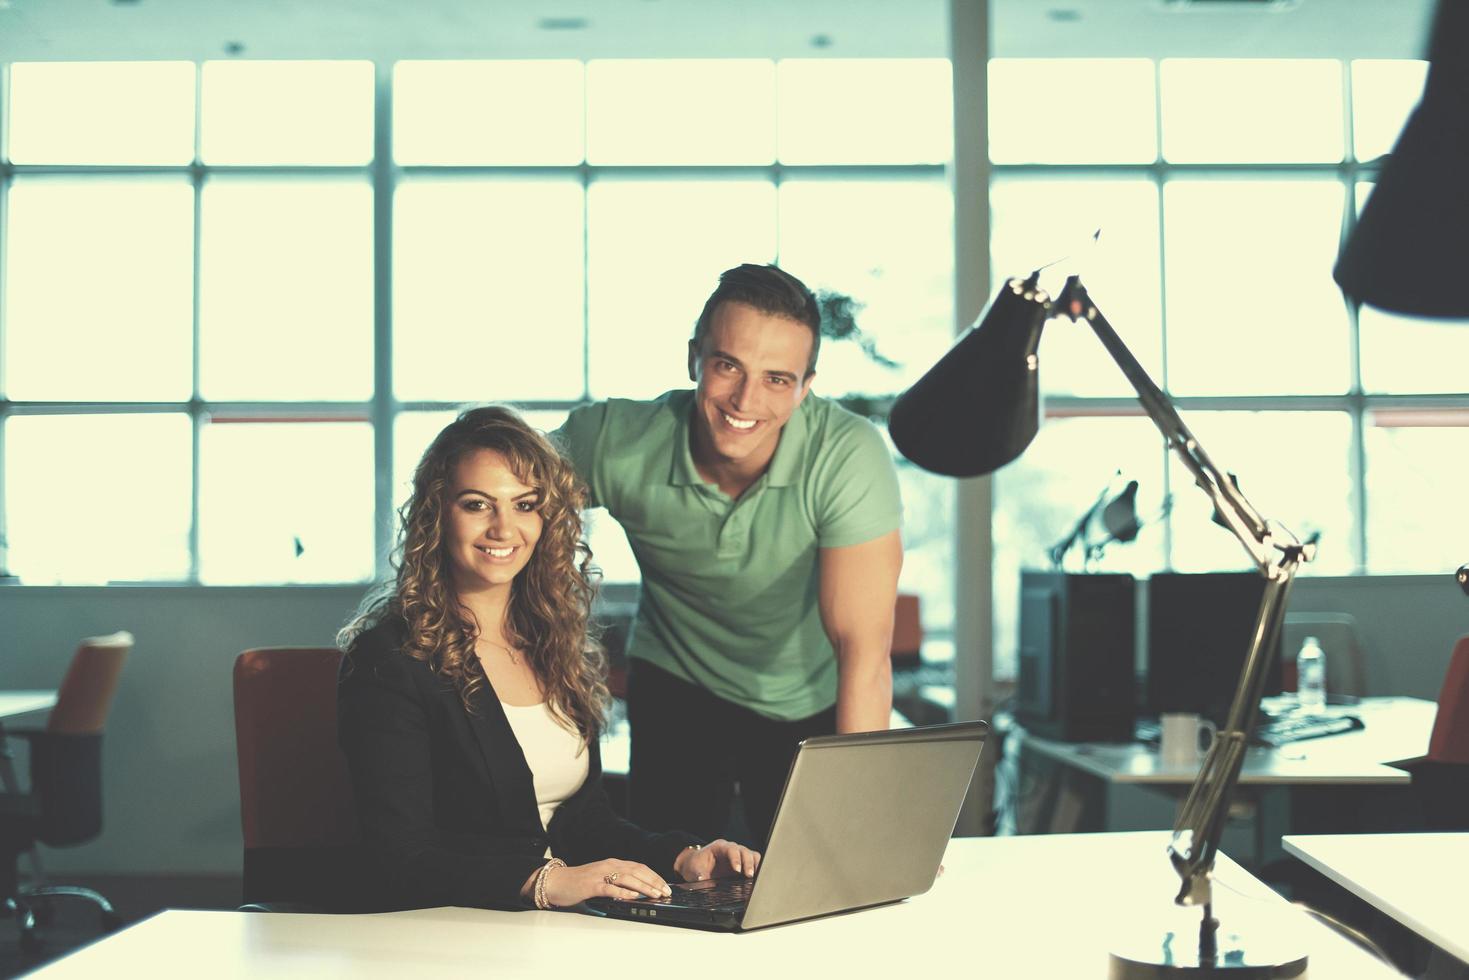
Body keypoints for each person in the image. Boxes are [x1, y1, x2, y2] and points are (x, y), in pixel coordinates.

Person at [337, 406, 759, 912]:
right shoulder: (391, 660)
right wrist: (544, 883)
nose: (503, 528)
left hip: (556, 927)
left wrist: (685, 857)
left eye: (525, 504)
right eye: (477, 504)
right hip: (450, 933)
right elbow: (401, 859)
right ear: (437, 513)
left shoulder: (553, 642)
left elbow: (583, 823)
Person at [554, 263, 903, 846]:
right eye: (727, 366)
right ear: (694, 358)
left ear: (806, 385)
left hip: (803, 691)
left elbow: (863, 656)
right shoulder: (614, 440)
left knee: (818, 876)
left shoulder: (847, 456)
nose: (746, 399)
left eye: (777, 379)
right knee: (666, 890)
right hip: (678, 679)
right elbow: (501, 497)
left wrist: (859, 820)